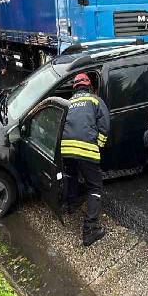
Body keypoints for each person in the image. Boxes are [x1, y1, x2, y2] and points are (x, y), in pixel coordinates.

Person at [60, 73, 111, 246]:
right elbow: (105, 125)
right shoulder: (95, 100)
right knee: (95, 186)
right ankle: (90, 229)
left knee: (71, 176)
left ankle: (72, 204)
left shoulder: (69, 103)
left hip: (66, 149)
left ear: (74, 88)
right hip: (86, 149)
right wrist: (99, 145)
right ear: (89, 86)